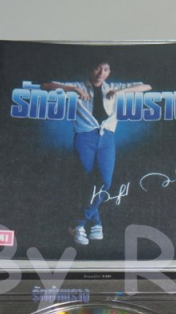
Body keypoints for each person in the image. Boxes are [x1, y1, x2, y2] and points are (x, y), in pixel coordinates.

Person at [41, 61, 152, 245]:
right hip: (85, 138)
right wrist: (74, 90)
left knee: (105, 182)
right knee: (88, 181)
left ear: (110, 71)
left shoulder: (114, 87)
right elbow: (46, 85)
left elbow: (146, 86)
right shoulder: (77, 86)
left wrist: (120, 92)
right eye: (97, 68)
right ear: (90, 69)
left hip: (107, 138)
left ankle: (78, 224)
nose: (102, 73)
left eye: (106, 69)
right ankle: (96, 223)